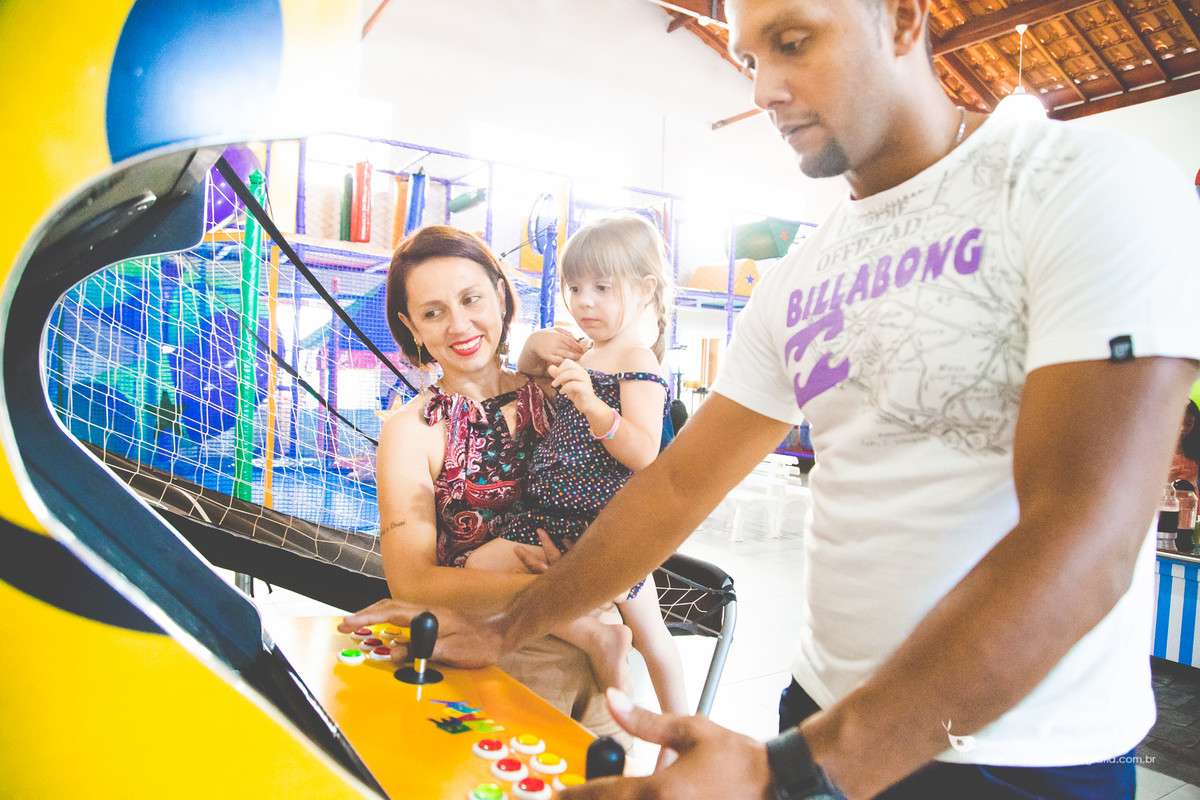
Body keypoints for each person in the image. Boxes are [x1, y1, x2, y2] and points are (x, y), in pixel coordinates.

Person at [341, 0, 1200, 797]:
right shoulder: (804, 276)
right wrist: (508, 626)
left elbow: (1086, 537)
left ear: (901, 17)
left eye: (792, 42)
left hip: (1020, 755)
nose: (761, 89)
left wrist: (796, 773)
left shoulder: (1082, 185)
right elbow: (675, 488)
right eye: (749, 57)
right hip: (822, 712)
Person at [368, 224, 623, 740]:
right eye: (433, 312)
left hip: (604, 651)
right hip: (502, 653)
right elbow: (413, 582)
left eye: (471, 299)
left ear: (501, 297)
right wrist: (560, 590)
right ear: (410, 326)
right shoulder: (410, 432)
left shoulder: (563, 389)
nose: (459, 325)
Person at [464, 214, 689, 727]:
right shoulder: (586, 352)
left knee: (654, 638)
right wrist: (538, 350)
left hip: (604, 530)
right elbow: (526, 389)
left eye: (602, 287)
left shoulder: (637, 360)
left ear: (645, 287)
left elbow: (644, 451)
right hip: (546, 516)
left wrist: (591, 404)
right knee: (477, 569)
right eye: (574, 287)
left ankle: (682, 734)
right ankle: (595, 636)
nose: (584, 301)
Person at [1168, 400, 1199, 488]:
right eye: (1179, 422)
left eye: (1189, 424)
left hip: (1191, 498)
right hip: (1167, 498)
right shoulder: (1160, 447)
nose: (1183, 428)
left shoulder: (1195, 446)